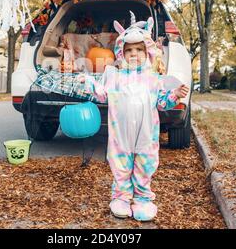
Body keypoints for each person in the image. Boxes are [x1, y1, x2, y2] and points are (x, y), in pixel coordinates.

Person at [77, 12, 189, 221]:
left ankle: (143, 199)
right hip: (121, 135)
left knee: (144, 165)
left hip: (147, 134)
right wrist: (90, 83)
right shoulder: (115, 77)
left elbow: (162, 103)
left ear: (148, 53)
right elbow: (102, 94)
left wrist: (174, 95)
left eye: (139, 49)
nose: (134, 54)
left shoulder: (154, 80)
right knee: (121, 165)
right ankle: (121, 197)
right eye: (129, 50)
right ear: (121, 53)